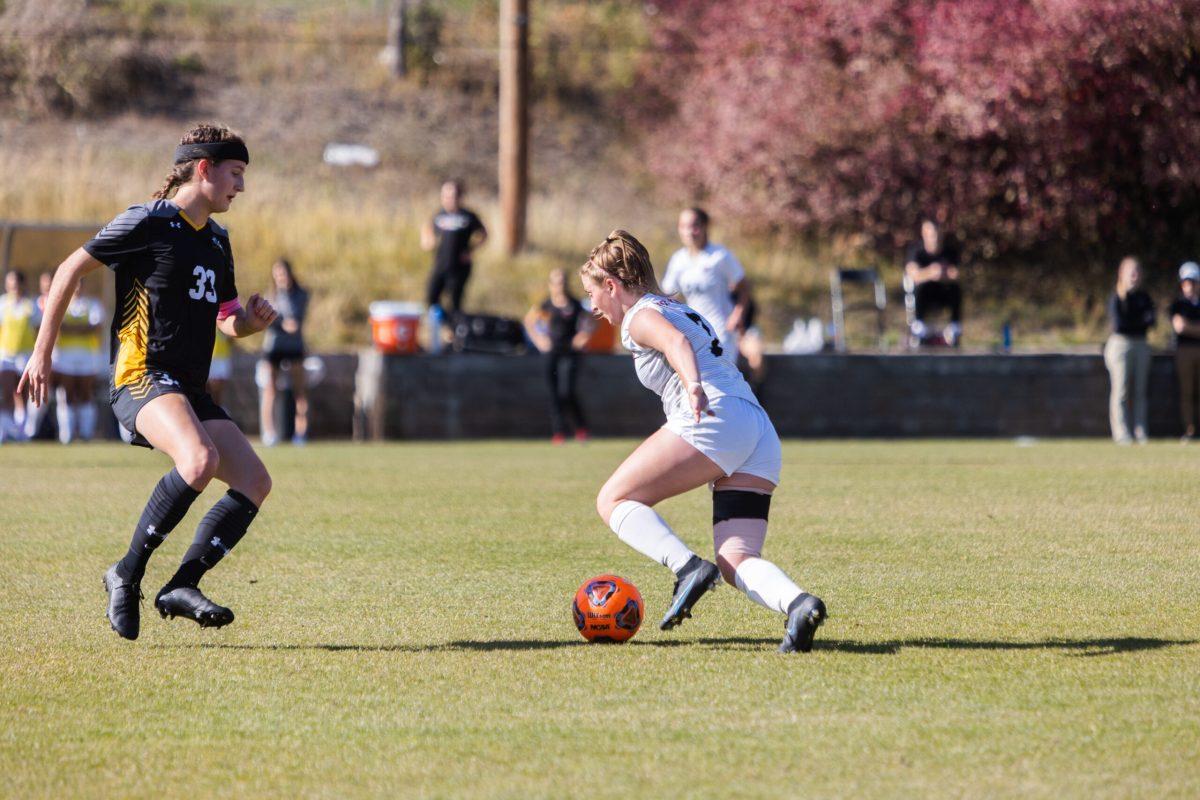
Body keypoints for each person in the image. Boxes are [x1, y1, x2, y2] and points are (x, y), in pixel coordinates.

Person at [19, 123, 278, 641]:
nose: (241, 187)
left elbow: (226, 319)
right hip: (140, 378)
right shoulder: (149, 221)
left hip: (189, 387)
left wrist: (250, 321)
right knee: (199, 460)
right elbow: (70, 269)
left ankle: (180, 585)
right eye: (235, 173)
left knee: (255, 481)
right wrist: (41, 350)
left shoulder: (219, 241)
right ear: (204, 169)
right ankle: (127, 573)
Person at [579, 230, 826, 653]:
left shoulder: (640, 316)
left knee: (613, 500)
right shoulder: (676, 306)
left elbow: (675, 345)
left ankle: (687, 568)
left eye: (592, 293)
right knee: (736, 558)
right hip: (756, 428)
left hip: (714, 415)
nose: (592, 305)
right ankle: (799, 605)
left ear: (611, 285)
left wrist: (692, 386)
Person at [662, 207, 748, 363]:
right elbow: (668, 295)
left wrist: (737, 315)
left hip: (721, 331)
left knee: (723, 379)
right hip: (694, 331)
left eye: (694, 226)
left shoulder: (720, 256)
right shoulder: (678, 260)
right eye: (684, 226)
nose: (689, 232)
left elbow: (743, 287)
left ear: (705, 227)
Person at [524, 268, 592, 444]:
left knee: (567, 391)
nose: (559, 286)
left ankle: (581, 428)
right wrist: (539, 341)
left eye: (562, 281)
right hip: (551, 352)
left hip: (570, 352)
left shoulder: (574, 304)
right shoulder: (545, 305)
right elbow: (529, 322)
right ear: (550, 285)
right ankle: (559, 432)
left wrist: (583, 337)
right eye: (555, 282)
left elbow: (591, 322)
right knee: (553, 394)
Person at [1104, 256, 1155, 444]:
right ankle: (1121, 432)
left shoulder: (1144, 297)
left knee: (1141, 391)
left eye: (1137, 271)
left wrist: (1135, 323)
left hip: (1141, 344)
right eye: (1130, 272)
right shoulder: (1116, 297)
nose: (1134, 275)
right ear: (1122, 274)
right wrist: (1138, 322)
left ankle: (1140, 430)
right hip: (1121, 345)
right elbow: (1118, 325)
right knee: (1121, 390)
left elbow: (1151, 321)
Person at [259, 258, 309, 446]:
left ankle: (301, 433)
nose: (281, 277)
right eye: (278, 273)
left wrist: (283, 322)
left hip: (294, 346)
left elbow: (296, 321)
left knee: (299, 392)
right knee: (270, 389)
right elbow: (269, 321)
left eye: (284, 273)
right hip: (274, 347)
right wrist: (281, 323)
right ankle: (269, 433)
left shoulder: (300, 294)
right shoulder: (270, 295)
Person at [420, 180, 487, 318]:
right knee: (431, 296)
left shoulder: (468, 216)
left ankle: (455, 331)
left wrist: (471, 250)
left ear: (460, 197)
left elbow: (483, 234)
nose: (449, 199)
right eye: (445, 196)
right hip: (440, 265)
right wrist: (427, 240)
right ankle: (441, 326)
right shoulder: (439, 215)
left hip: (459, 267)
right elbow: (427, 228)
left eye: (452, 196)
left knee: (455, 302)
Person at [51, 283, 105, 443]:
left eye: (80, 285)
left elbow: (96, 327)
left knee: (85, 393)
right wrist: (82, 328)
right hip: (65, 355)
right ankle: (66, 435)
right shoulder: (62, 303)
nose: (77, 288)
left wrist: (71, 328)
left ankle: (86, 433)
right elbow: (59, 327)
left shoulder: (93, 304)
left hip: (87, 354)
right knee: (66, 393)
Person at [905, 219, 963, 346]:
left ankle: (954, 327)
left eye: (937, 233)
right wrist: (931, 272)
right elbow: (913, 274)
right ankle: (919, 327)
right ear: (924, 234)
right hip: (924, 296)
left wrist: (942, 275)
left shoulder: (949, 251)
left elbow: (957, 275)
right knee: (920, 287)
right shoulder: (916, 251)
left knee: (955, 289)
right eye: (931, 234)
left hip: (942, 293)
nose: (935, 238)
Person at [0, 269, 40, 442]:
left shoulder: (31, 306)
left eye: (16, 282)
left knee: (21, 395)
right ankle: (4, 429)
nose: (13, 286)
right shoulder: (2, 304)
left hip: (25, 356)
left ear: (22, 284)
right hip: (6, 355)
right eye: (10, 283)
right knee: (6, 392)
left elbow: (39, 330)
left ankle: (20, 430)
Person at [1170, 261, 1200, 442]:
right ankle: (1189, 430)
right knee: (1187, 392)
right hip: (1184, 351)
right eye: (1185, 282)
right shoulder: (1178, 304)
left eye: (1193, 282)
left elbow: (1185, 326)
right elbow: (1179, 327)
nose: (1189, 286)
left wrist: (1189, 327)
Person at [207, 329, 233, 405]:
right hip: (212, 357)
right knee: (209, 387)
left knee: (219, 388)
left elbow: (232, 340)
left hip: (223, 357)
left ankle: (216, 408)